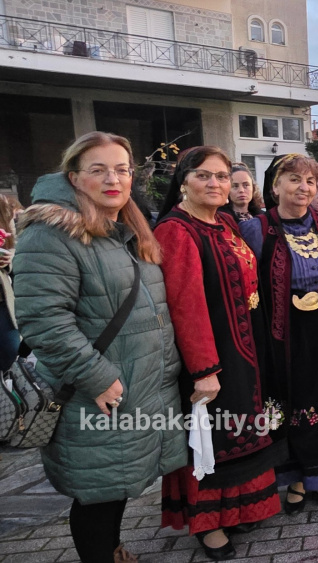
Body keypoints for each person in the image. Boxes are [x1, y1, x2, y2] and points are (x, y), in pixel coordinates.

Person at [13, 132, 186, 562]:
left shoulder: (127, 228)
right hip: (97, 392)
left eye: (122, 170)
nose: (114, 179)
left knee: (116, 481)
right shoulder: (51, 234)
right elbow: (43, 321)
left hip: (139, 386)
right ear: (74, 177)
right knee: (96, 491)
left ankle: (111, 548)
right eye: (99, 169)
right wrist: (97, 377)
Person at [155, 147, 281, 560]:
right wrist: (204, 370)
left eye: (222, 176)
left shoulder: (225, 222)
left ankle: (239, 510)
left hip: (245, 345)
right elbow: (185, 306)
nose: (215, 184)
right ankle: (209, 525)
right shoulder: (176, 231)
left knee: (243, 431)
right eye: (203, 175)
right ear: (183, 181)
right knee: (212, 439)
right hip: (212, 354)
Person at [240, 153, 318, 515]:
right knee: (295, 407)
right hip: (288, 338)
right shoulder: (257, 229)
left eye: (310, 181)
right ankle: (296, 480)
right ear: (275, 186)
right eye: (294, 179)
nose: (304, 188)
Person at [0, 194, 20, 370]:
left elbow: (13, 245)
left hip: (2, 299)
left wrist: (7, 259)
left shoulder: (2, 205)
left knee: (12, 349)